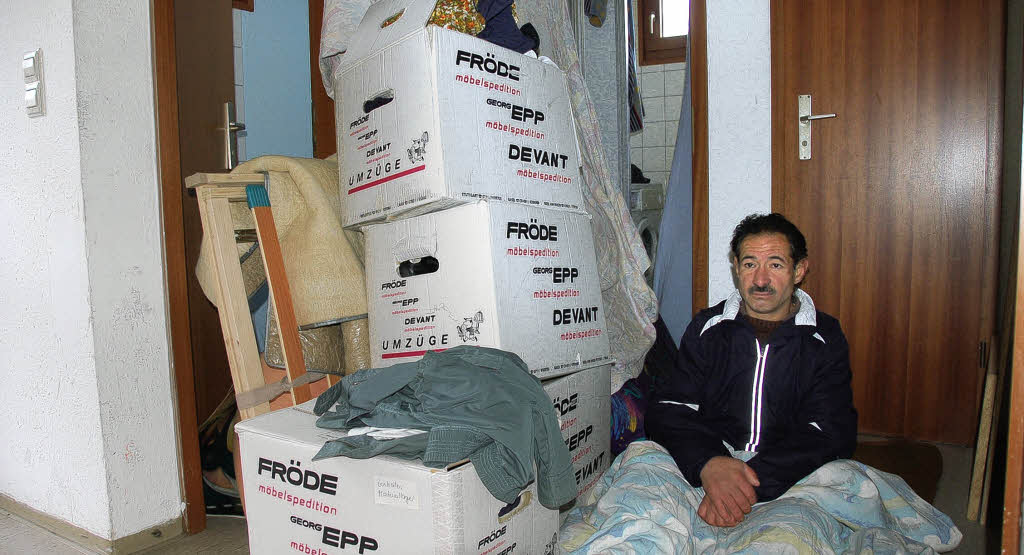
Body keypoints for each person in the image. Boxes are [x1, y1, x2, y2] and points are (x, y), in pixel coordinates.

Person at [646, 212, 857, 528]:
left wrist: (744, 484)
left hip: (790, 475)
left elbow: (831, 429)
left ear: (799, 270)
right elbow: (670, 407)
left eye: (775, 265)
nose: (760, 280)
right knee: (639, 474)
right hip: (708, 462)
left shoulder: (824, 338)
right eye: (749, 264)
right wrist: (710, 464)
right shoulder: (707, 328)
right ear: (736, 267)